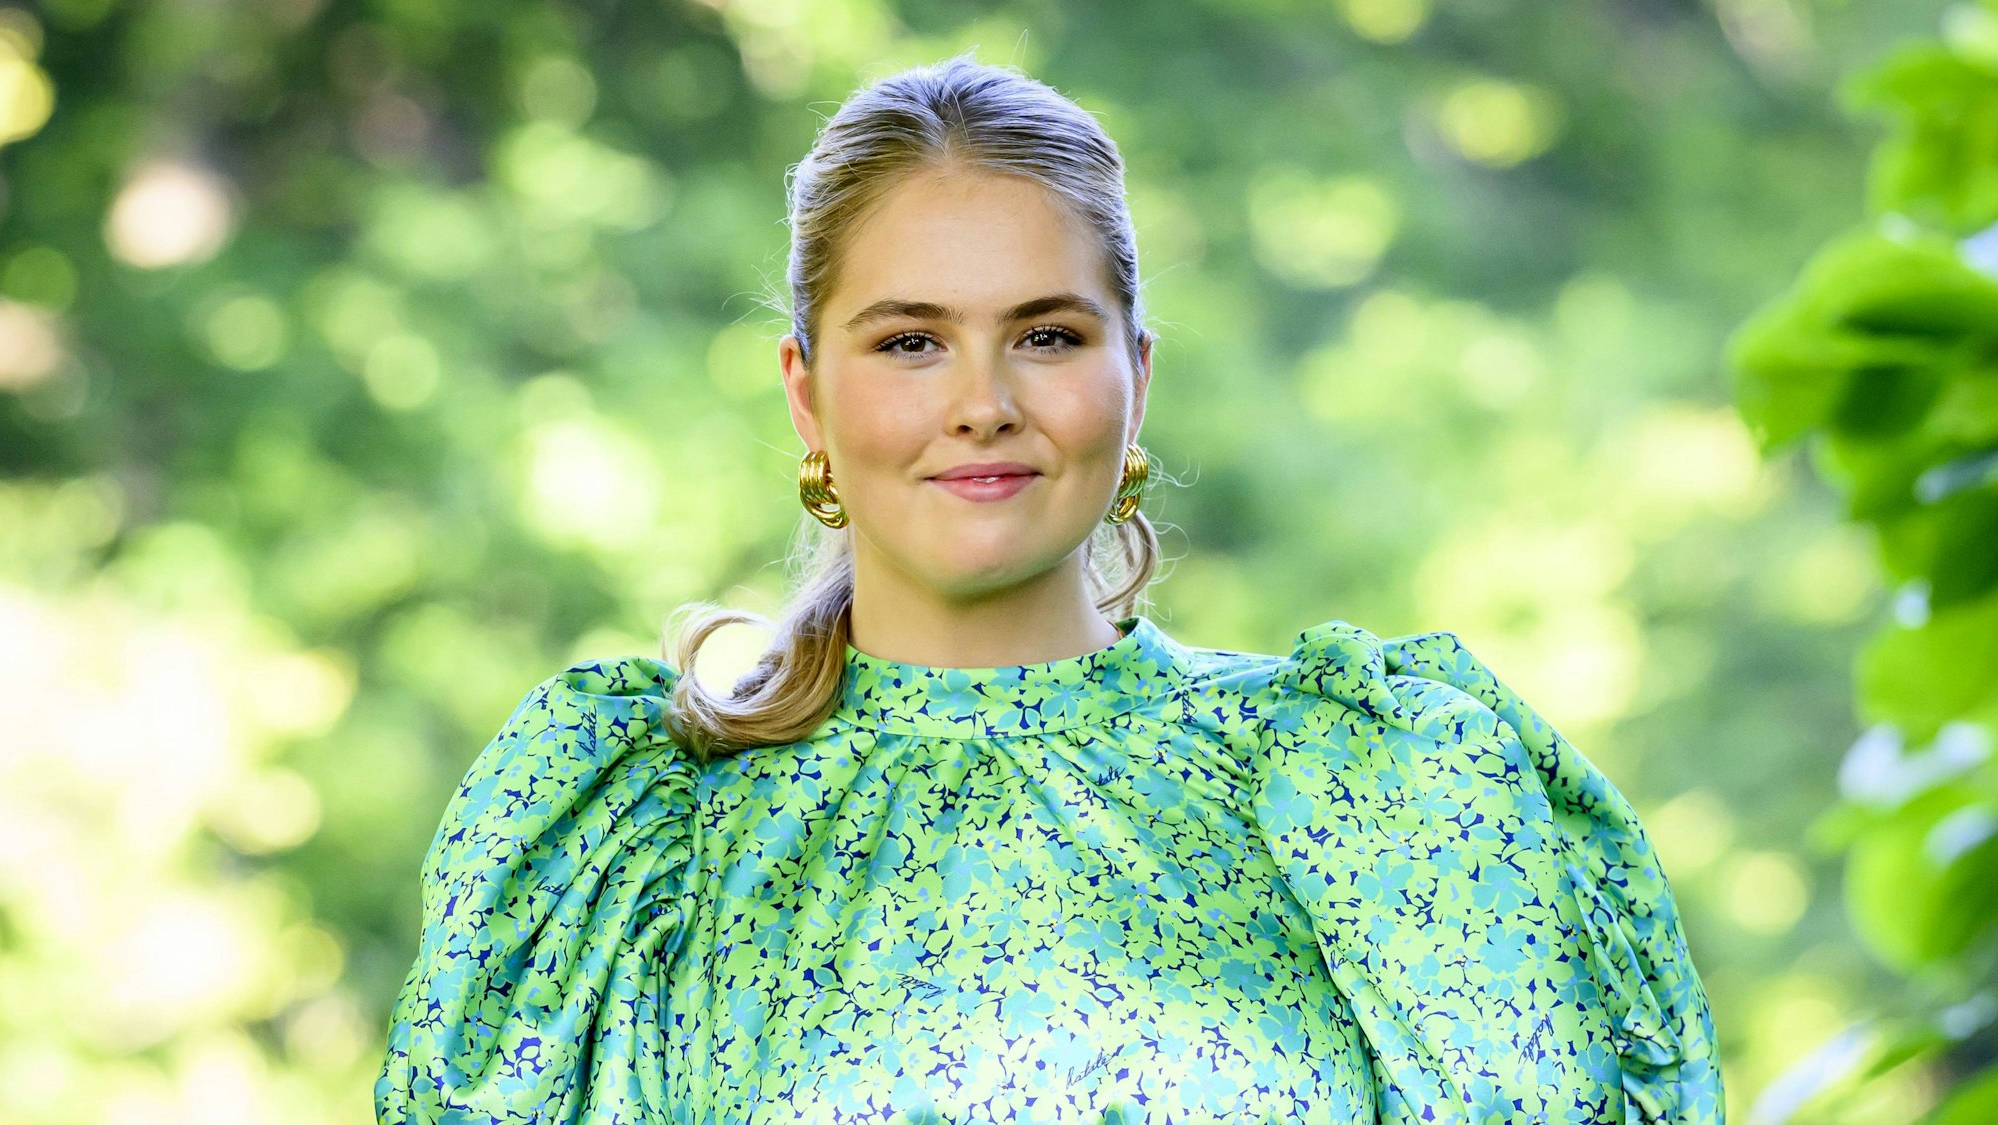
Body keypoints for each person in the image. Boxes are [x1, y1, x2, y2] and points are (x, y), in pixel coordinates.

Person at [373, 51, 1725, 1124]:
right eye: (910, 340)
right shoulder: (647, 834)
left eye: (1047, 335)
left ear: (1136, 374)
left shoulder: (1379, 787)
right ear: (807, 393)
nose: (982, 404)